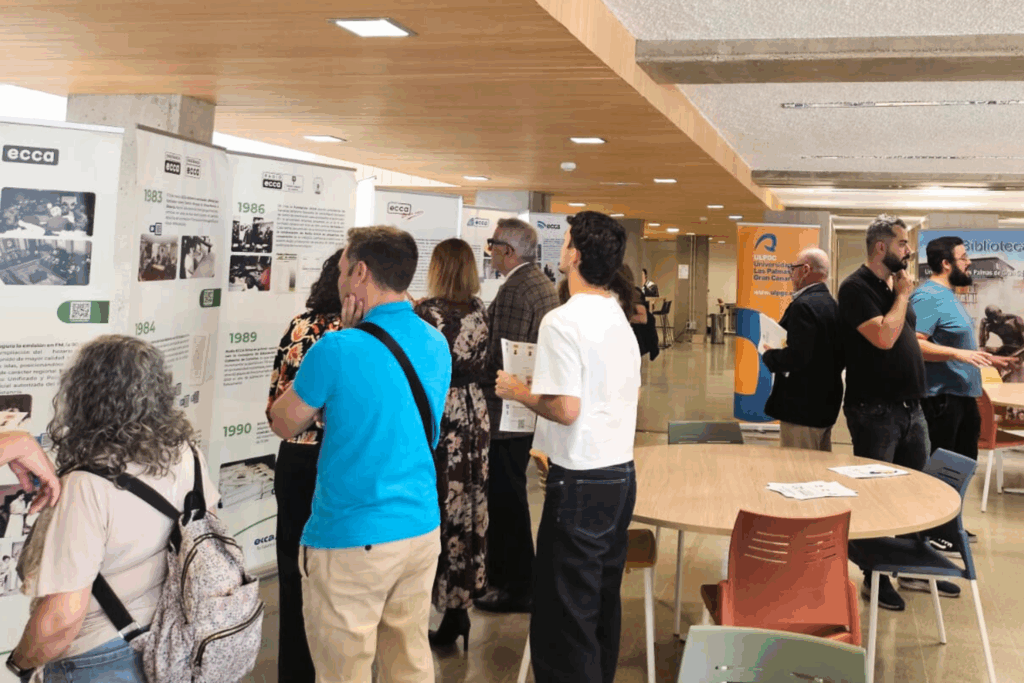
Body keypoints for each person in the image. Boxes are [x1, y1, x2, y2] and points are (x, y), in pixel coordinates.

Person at [269, 226, 451, 683]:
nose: (338, 279)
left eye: (343, 269)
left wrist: (345, 341)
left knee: (342, 671)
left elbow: (283, 422)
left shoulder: (336, 347)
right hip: (420, 528)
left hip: (351, 536)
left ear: (361, 272)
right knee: (408, 662)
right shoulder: (435, 341)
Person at [7, 335, 219, 682]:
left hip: (100, 656)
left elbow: (62, 619)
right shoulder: (186, 454)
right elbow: (204, 537)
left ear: (82, 397)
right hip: (172, 640)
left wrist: (20, 663)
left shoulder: (85, 484)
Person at [496, 211, 641, 683]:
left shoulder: (562, 321)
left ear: (575, 255)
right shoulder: (617, 315)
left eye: (564, 244)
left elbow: (566, 408)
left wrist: (519, 392)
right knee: (599, 603)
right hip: (620, 475)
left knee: (564, 616)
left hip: (579, 480)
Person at [837, 215, 931, 612]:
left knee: (915, 493)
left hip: (911, 409)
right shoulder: (856, 287)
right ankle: (874, 576)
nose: (908, 251)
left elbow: (904, 336)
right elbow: (883, 336)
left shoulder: (891, 286)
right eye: (902, 243)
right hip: (876, 412)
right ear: (881, 247)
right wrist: (904, 295)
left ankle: (909, 565)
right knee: (877, 497)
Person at [264, 248, 344, 683]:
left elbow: (276, 397)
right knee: (339, 576)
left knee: (292, 570)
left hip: (296, 456)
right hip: (341, 461)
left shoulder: (301, 326)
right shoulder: (361, 335)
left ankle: (294, 672)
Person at [911, 237, 1017, 557]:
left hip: (961, 397)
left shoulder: (949, 296)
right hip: (941, 399)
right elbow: (915, 343)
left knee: (960, 467)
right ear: (946, 264)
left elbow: (954, 345)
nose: (969, 262)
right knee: (940, 470)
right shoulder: (928, 296)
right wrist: (959, 354)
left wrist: (987, 357)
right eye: (964, 257)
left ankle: (948, 525)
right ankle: (932, 532)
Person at [475, 218, 559, 615]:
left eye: (492, 244)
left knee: (505, 501)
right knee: (511, 497)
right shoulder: (540, 283)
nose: (489, 251)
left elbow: (499, 357)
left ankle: (515, 584)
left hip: (506, 415)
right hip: (525, 411)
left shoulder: (514, 290)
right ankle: (515, 579)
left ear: (507, 251)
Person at [413, 238, 491, 651]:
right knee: (470, 505)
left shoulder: (426, 313)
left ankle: (433, 605)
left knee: (438, 506)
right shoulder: (479, 309)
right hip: (475, 412)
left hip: (442, 412)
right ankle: (459, 607)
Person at [762, 247, 844, 451]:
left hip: (802, 405)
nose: (791, 274)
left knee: (798, 464)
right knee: (819, 462)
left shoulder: (803, 306)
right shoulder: (832, 304)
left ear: (805, 270)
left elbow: (797, 357)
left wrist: (770, 355)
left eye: (793, 268)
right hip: (827, 402)